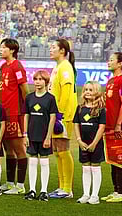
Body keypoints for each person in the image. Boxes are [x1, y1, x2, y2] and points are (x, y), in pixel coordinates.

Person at [0, 39, 29, 195]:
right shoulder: (3, 67)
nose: (0, 50)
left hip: (15, 113)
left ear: (12, 50)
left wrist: (24, 109)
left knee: (18, 149)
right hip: (3, 113)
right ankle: (10, 183)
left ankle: (21, 185)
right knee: (8, 149)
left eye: (3, 47)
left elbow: (24, 89)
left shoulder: (17, 66)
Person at [48, 39, 77, 199]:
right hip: (56, 115)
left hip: (63, 115)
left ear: (62, 51)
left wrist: (60, 114)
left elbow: (66, 91)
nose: (50, 50)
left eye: (53, 47)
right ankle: (61, 187)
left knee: (63, 149)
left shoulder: (65, 67)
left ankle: (67, 189)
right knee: (58, 151)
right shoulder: (58, 67)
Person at [24, 71, 57, 202]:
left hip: (44, 135)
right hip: (31, 135)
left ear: (46, 81)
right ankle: (32, 190)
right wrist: (25, 134)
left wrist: (48, 137)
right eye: (35, 79)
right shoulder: (29, 97)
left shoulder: (50, 98)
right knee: (32, 161)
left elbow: (53, 118)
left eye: (40, 79)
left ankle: (44, 191)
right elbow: (26, 115)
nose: (37, 82)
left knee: (44, 161)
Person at [102, 52, 122, 203]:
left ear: (119, 64)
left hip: (119, 126)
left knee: (120, 158)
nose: (109, 62)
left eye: (111, 60)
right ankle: (115, 190)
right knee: (112, 159)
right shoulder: (111, 80)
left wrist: (119, 124)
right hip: (109, 126)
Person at [74, 81, 106, 205]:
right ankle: (86, 194)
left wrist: (94, 143)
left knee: (95, 167)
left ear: (96, 92)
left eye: (90, 90)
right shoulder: (80, 108)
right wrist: (79, 140)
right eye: (86, 89)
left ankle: (94, 195)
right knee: (85, 168)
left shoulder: (100, 109)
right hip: (83, 143)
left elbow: (101, 127)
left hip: (95, 144)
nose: (87, 92)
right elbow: (76, 125)